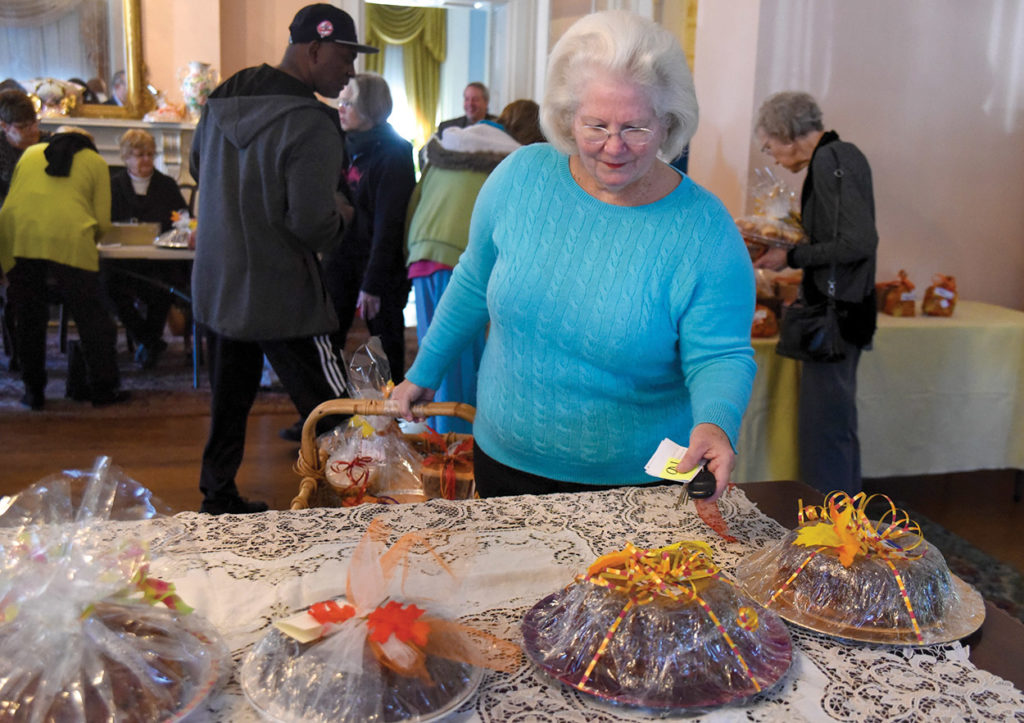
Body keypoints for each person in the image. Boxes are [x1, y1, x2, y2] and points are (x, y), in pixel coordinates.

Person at [392, 11, 756, 499]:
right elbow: (475, 280)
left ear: (668, 122)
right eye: (596, 125)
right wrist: (424, 370)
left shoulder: (705, 231)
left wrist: (715, 423)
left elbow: (720, 353)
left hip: (637, 482)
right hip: (503, 459)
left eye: (635, 128)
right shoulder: (519, 178)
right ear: (567, 116)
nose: (613, 147)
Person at [189, 3, 377, 514]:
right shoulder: (313, 123)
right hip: (282, 289)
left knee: (229, 398)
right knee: (333, 406)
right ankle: (364, 505)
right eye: (344, 57)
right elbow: (313, 223)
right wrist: (344, 213)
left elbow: (197, 167)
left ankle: (218, 496)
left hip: (221, 280)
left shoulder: (225, 94)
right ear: (313, 49)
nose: (350, 71)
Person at [752, 91, 878, 496]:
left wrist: (792, 254)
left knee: (825, 431)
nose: (772, 157)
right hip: (846, 310)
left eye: (770, 146)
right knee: (835, 427)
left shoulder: (832, 160)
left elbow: (859, 242)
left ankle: (832, 530)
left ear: (787, 134)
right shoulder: (838, 157)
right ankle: (846, 523)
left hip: (836, 315)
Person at [405, 99, 542, 434]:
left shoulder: (451, 140)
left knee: (439, 350)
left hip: (423, 251)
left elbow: (416, 198)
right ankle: (457, 452)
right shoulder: (516, 158)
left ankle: (442, 440)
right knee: (458, 361)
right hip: (460, 258)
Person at [0, 127, 127, 410]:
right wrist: (88, 244)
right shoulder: (95, 162)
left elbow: (14, 196)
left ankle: (33, 392)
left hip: (16, 233)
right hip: (69, 235)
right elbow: (104, 222)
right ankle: (102, 390)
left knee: (29, 318)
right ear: (89, 144)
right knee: (90, 317)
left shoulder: (31, 153)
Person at [324, 73, 415, 390]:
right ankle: (326, 412)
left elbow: (389, 224)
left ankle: (393, 418)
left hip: (380, 266)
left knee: (385, 344)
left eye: (349, 102)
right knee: (329, 338)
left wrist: (373, 284)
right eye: (341, 100)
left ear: (371, 108)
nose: (341, 107)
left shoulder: (395, 154)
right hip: (342, 258)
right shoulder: (340, 143)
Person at [104, 129, 189, 368]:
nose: (146, 160)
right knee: (108, 288)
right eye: (139, 154)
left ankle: (149, 342)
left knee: (161, 289)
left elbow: (182, 219)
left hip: (158, 262)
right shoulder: (114, 186)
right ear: (126, 157)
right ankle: (149, 339)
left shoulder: (167, 185)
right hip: (122, 262)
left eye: (150, 154)